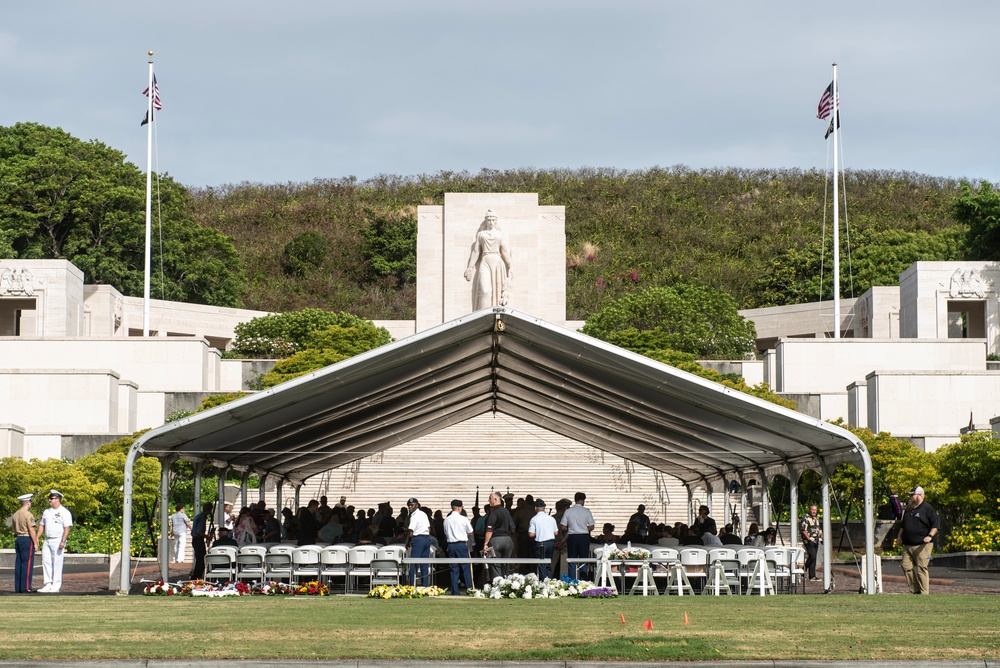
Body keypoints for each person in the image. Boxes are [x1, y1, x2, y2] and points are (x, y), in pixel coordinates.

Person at [464, 209, 513, 310]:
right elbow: (476, 251)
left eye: (493, 220)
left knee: (497, 291)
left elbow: (504, 252)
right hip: (485, 261)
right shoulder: (481, 234)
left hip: (497, 262)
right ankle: (482, 316)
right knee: (485, 290)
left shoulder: (500, 235)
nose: (491, 222)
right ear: (486, 221)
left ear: (496, 221)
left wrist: (510, 265)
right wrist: (470, 267)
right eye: (489, 220)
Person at [897, 486, 940, 595]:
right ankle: (915, 591)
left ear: (920, 495)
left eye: (912, 495)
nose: (910, 497)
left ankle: (924, 593)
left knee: (922, 568)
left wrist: (930, 536)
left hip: (923, 545)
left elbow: (935, 525)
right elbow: (903, 525)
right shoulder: (909, 508)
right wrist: (899, 536)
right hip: (907, 545)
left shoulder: (928, 508)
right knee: (906, 567)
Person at [37, 490, 73, 593]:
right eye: (49, 498)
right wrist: (37, 538)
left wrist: (63, 540)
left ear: (58, 499)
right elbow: (42, 525)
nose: (50, 500)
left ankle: (56, 585)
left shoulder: (64, 512)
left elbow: (67, 528)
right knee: (46, 562)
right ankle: (47, 583)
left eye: (52, 498)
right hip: (48, 539)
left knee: (57, 563)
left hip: (58, 540)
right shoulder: (46, 512)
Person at [560, 492, 595, 580]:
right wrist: (584, 527)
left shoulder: (568, 511)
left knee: (571, 560)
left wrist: (572, 527)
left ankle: (572, 580)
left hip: (572, 537)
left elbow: (563, 527)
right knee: (584, 560)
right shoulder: (586, 511)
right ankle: (583, 580)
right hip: (583, 537)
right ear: (583, 500)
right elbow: (591, 527)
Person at [442, 499, 474, 595]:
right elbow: (470, 531)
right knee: (466, 569)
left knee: (454, 569)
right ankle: (469, 590)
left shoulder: (446, 520)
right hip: (461, 545)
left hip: (451, 545)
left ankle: (455, 592)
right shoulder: (463, 519)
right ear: (459, 508)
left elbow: (446, 533)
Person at [483, 490, 515, 581]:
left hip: (496, 541)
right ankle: (506, 585)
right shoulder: (506, 512)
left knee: (495, 565)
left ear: (496, 499)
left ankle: (497, 587)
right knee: (505, 565)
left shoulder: (493, 513)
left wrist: (485, 543)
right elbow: (513, 528)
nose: (489, 500)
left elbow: (489, 530)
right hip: (508, 540)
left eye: (490, 498)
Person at [12, 493, 38, 593]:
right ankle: (26, 587)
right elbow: (31, 529)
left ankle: (18, 587)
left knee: (18, 563)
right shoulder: (28, 514)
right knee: (27, 563)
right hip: (26, 538)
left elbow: (14, 530)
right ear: (27, 503)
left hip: (18, 538)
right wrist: (35, 542)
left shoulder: (15, 514)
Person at [528, 499, 558, 580]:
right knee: (549, 563)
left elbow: (531, 534)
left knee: (542, 564)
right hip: (551, 543)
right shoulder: (551, 519)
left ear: (535, 508)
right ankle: (549, 580)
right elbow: (556, 533)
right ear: (544, 507)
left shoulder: (534, 519)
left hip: (541, 543)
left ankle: (543, 582)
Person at [406, 497, 431, 586]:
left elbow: (411, 531)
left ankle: (412, 584)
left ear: (417, 505)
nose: (410, 507)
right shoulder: (423, 514)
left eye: (412, 505)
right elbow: (428, 527)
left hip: (418, 539)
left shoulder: (414, 516)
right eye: (408, 505)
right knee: (424, 563)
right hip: (426, 538)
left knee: (414, 563)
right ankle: (425, 585)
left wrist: (407, 542)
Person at [800, 505, 823, 581]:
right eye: (812, 509)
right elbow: (803, 530)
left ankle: (812, 576)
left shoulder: (816, 519)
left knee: (814, 558)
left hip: (816, 540)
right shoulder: (806, 518)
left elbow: (818, 529)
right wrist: (809, 539)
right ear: (809, 510)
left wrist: (821, 536)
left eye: (815, 510)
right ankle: (803, 569)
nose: (814, 511)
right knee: (812, 556)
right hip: (809, 540)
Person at [191, 502, 212, 579]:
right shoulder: (202, 517)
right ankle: (196, 577)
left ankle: (196, 576)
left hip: (196, 540)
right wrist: (207, 537)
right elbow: (199, 532)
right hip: (198, 540)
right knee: (201, 560)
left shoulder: (199, 516)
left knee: (199, 560)